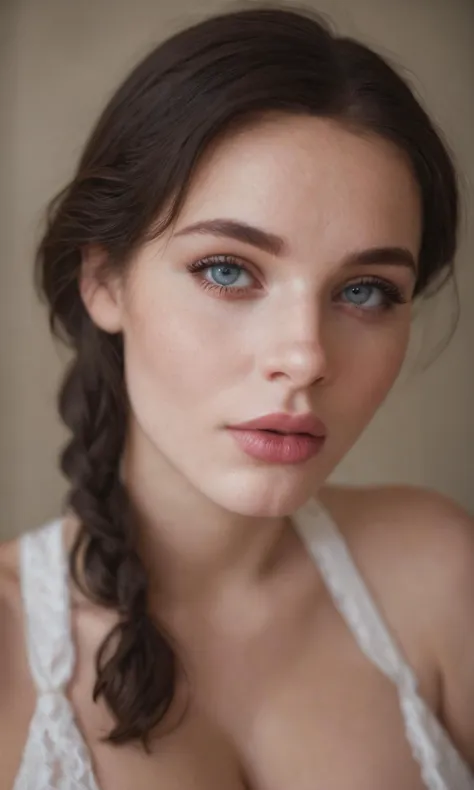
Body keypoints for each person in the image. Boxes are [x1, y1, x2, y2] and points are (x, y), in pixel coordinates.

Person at [0, 4, 473, 789]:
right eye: (227, 269)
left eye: (364, 289)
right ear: (104, 281)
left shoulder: (442, 579)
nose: (305, 357)